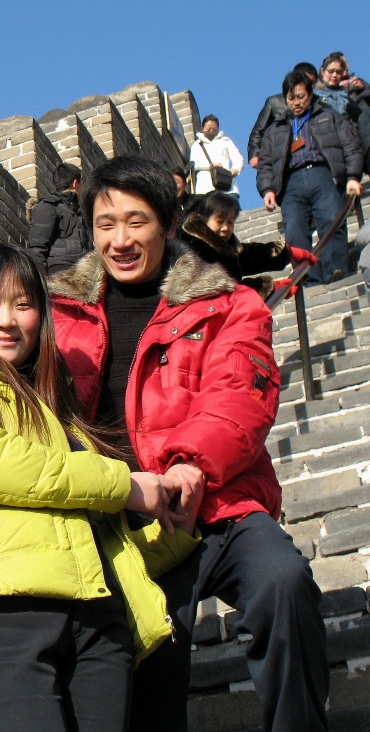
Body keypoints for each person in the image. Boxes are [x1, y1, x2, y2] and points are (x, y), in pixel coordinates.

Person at [48, 156, 329, 732]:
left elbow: (239, 395)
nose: (119, 240)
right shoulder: (58, 313)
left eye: (136, 221)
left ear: (169, 225)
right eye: (105, 224)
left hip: (216, 503)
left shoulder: (230, 305)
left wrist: (188, 464)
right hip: (121, 516)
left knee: (282, 582)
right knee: (151, 662)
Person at [0, 243, 203, 732]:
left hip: (98, 621)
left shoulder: (61, 415)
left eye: (23, 305)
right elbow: (0, 465)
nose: (7, 320)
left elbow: (98, 546)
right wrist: (127, 486)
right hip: (3, 614)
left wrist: (177, 529)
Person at [257, 70, 364, 286]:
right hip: (291, 184)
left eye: (301, 97)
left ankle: (336, 270)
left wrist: (353, 176)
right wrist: (267, 189)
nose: (295, 102)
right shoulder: (275, 129)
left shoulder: (328, 115)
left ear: (310, 94)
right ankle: (307, 279)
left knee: (331, 220)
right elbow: (266, 162)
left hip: (323, 174)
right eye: (291, 97)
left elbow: (350, 147)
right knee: (294, 231)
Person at [179, 191, 318, 300]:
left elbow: (250, 256)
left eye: (230, 222)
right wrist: (268, 289)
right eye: (220, 221)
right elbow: (220, 293)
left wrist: (287, 253)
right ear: (203, 219)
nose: (225, 228)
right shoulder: (192, 250)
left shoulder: (224, 247)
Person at [247, 62, 318, 168]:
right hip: (281, 158)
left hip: (310, 157)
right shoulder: (274, 102)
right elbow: (258, 131)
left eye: (312, 83)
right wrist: (255, 154)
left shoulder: (318, 103)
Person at [28, 162, 93, 275]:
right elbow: (36, 249)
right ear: (75, 183)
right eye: (82, 183)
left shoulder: (82, 212)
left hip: (86, 274)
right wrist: (42, 284)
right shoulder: (48, 206)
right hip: (60, 273)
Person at [189, 114, 244, 201]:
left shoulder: (225, 141)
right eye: (208, 129)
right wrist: (210, 166)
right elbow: (194, 164)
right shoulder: (197, 145)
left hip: (226, 186)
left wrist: (235, 170)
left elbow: (238, 159)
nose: (211, 131)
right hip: (205, 189)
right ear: (202, 129)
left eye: (214, 129)